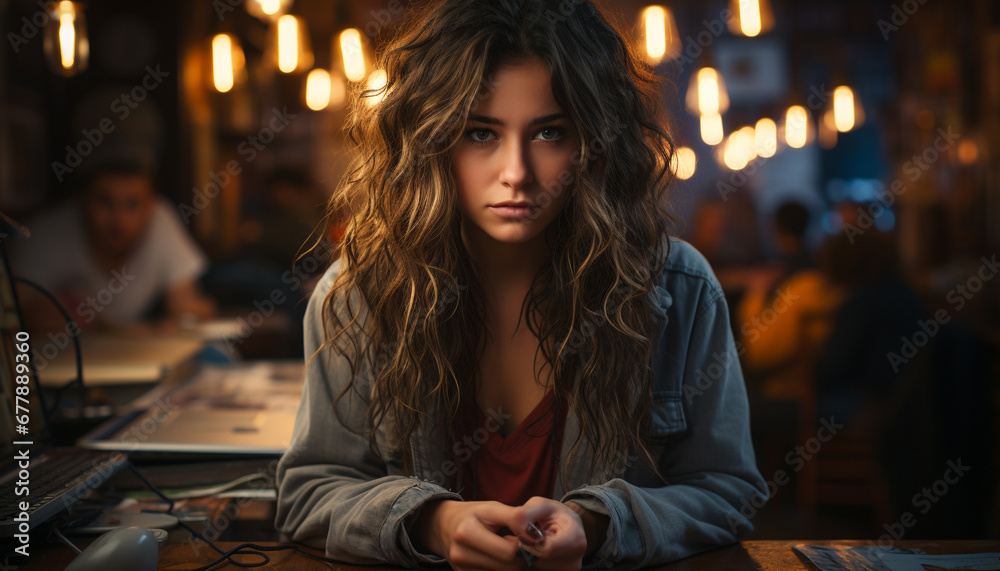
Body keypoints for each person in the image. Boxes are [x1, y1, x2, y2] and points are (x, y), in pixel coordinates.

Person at [274, 0, 764, 569]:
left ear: (594, 144)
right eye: (480, 133)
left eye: (550, 133)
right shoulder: (357, 295)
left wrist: (599, 525)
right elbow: (308, 493)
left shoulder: (679, 290)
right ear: (429, 141)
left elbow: (727, 490)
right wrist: (430, 522)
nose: (516, 172)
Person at [11, 160, 216, 331]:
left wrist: (187, 317)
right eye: (105, 202)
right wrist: (36, 317)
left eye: (133, 204)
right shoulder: (46, 234)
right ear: (82, 201)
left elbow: (184, 305)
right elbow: (10, 316)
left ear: (151, 207)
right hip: (56, 364)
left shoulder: (161, 221)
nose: (119, 220)